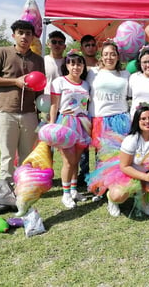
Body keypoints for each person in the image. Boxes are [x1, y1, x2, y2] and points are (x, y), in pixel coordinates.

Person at [0, 20, 45, 184]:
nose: (24, 36)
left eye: (28, 33)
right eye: (20, 32)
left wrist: (40, 114)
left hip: (29, 114)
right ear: (14, 35)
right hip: (7, 113)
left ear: (33, 37)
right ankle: (6, 189)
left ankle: (24, 188)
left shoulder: (38, 60)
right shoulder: (2, 52)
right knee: (8, 155)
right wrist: (15, 81)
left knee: (27, 155)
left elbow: (40, 88)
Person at [89, 106, 149, 217]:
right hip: (127, 172)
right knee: (118, 196)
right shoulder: (131, 140)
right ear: (137, 121)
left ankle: (143, 201)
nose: (147, 121)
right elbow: (125, 166)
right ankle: (112, 200)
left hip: (148, 172)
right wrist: (144, 177)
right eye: (143, 119)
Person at [86, 39, 131, 201]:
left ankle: (115, 189)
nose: (109, 57)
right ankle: (101, 188)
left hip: (120, 120)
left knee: (118, 158)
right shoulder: (92, 73)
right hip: (100, 120)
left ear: (118, 56)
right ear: (101, 56)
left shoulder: (126, 74)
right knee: (101, 157)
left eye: (112, 54)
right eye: (106, 54)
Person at [49, 51, 90, 208]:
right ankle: (65, 194)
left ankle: (73, 190)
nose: (76, 67)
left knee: (76, 161)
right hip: (66, 124)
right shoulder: (59, 82)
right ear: (66, 65)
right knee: (68, 161)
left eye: (79, 63)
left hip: (82, 124)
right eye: (72, 63)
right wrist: (52, 124)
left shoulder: (86, 84)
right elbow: (54, 105)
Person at [78, 34, 99, 187]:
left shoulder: (102, 64)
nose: (90, 47)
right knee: (82, 146)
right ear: (82, 48)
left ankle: (99, 174)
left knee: (99, 145)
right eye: (87, 45)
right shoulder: (77, 65)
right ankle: (83, 175)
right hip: (82, 113)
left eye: (93, 44)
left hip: (98, 112)